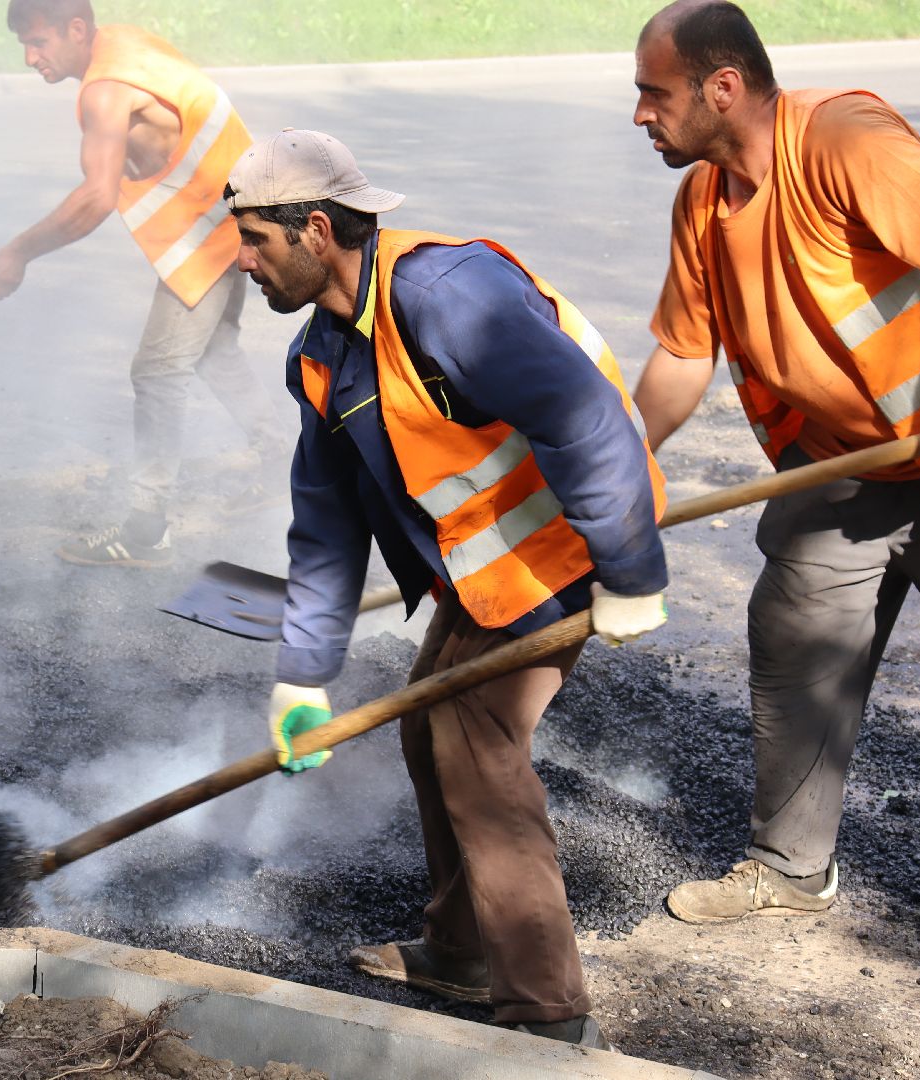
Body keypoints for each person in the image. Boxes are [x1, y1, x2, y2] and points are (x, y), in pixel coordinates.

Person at [224, 129, 670, 1050]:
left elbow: (584, 419)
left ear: (316, 231)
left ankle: (549, 1020)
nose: (241, 261)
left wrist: (630, 570)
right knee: (429, 731)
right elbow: (327, 527)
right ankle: (463, 952)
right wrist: (303, 675)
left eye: (254, 240)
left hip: (571, 540)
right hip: (489, 569)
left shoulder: (446, 296)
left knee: (475, 747)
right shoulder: (323, 356)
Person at [629, 0, 920, 922]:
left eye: (654, 93)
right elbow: (683, 355)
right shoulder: (703, 202)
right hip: (843, 465)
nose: (641, 114)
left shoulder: (843, 142)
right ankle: (790, 865)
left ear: (722, 88)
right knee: (794, 640)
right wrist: (620, 467)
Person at [0, 0, 287, 567]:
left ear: (77, 29)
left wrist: (17, 254)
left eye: (39, 42)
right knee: (214, 351)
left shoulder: (104, 92)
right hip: (242, 209)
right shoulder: (125, 43)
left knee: (156, 371)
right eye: (24, 44)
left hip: (212, 230)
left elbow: (96, 198)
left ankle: (146, 530)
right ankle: (280, 466)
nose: (29, 58)